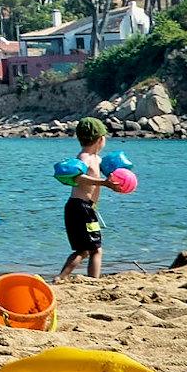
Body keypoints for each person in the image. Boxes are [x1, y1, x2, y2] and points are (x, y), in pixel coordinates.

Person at [56, 118, 111, 282]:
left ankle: (64, 277)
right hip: (81, 209)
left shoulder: (97, 159)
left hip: (85, 209)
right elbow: (78, 178)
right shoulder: (85, 157)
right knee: (93, 249)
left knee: (88, 249)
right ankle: (88, 280)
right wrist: (103, 183)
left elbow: (110, 174)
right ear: (100, 139)